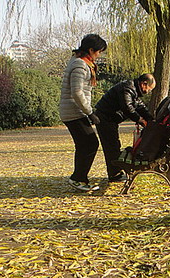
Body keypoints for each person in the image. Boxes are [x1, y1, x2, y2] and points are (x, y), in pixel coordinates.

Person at [59, 34, 107, 192]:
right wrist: (90, 112)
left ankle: (79, 177)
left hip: (75, 111)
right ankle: (78, 178)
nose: (99, 55)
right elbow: (77, 93)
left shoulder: (79, 61)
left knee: (85, 144)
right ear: (91, 50)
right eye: (99, 52)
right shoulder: (80, 65)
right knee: (90, 143)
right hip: (74, 111)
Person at [94, 74, 156, 182]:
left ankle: (115, 173)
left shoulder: (133, 90)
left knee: (113, 144)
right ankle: (114, 174)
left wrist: (151, 119)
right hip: (104, 118)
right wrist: (140, 120)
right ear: (144, 84)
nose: (148, 92)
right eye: (149, 89)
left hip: (109, 118)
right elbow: (127, 107)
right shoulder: (127, 88)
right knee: (111, 146)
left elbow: (140, 106)